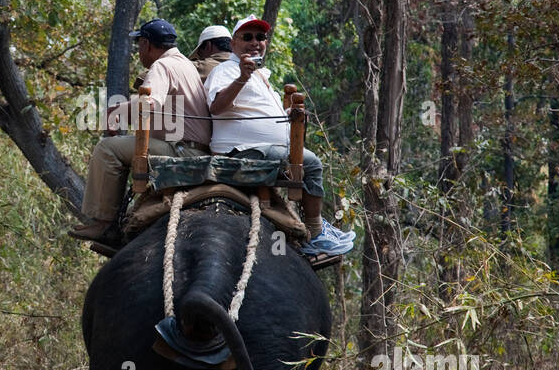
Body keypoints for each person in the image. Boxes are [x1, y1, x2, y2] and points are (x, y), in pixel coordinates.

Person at [205, 15, 355, 258]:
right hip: (241, 152)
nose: (255, 42)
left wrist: (290, 115)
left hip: (261, 149)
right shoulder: (226, 70)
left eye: (260, 37)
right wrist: (242, 77)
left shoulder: (260, 76)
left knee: (309, 161)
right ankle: (315, 234)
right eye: (248, 37)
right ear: (233, 44)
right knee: (312, 163)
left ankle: (317, 228)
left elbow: (259, 111)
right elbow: (217, 106)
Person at [70, 19, 212, 245]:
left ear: (145, 44)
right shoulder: (186, 64)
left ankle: (103, 224)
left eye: (139, 46)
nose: (138, 51)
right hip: (195, 150)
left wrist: (115, 112)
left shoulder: (162, 66)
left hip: (181, 151)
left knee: (107, 149)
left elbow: (150, 102)